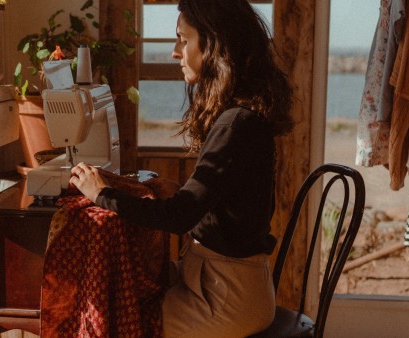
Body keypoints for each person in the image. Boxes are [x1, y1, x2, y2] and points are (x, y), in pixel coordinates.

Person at [69, 0, 294, 336]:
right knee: (126, 293)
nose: (175, 52)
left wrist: (102, 193)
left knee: (119, 318)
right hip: (215, 280)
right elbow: (205, 201)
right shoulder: (239, 117)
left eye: (183, 40)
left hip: (225, 297)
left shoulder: (238, 124)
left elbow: (180, 216)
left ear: (215, 43)